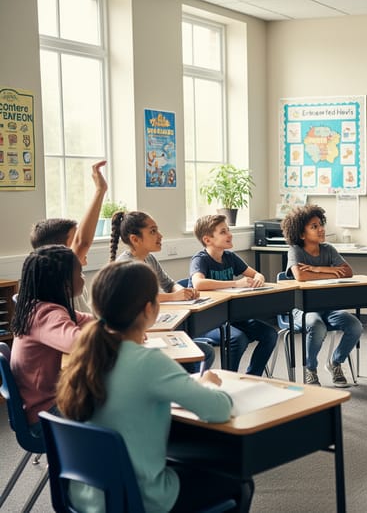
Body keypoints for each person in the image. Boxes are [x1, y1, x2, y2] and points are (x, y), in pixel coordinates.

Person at [55, 260, 252, 512]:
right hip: (138, 499)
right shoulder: (149, 361)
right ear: (149, 309)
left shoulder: (83, 357)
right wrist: (207, 385)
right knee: (240, 483)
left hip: (86, 496)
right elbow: (219, 410)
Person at [109, 209, 216, 373]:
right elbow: (139, 298)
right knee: (203, 352)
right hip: (137, 336)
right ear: (135, 239)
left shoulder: (149, 258)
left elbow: (169, 283)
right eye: (153, 231)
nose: (160, 236)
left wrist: (184, 292)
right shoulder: (125, 265)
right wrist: (174, 296)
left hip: (156, 325)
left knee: (205, 351)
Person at [10, 245, 91, 435]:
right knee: (113, 408)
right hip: (45, 415)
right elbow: (77, 343)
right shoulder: (46, 314)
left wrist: (114, 324)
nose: (83, 278)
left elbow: (86, 319)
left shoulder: (36, 306)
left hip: (38, 405)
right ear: (64, 283)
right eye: (80, 273)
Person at [281, 204, 362, 387]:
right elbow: (300, 276)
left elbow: (348, 272)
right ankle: (310, 369)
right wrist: (332, 271)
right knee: (316, 325)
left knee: (355, 326)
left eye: (321, 225)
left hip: (327, 307)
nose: (321, 229)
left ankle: (335, 362)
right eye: (314, 226)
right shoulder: (295, 250)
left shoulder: (328, 249)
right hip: (301, 308)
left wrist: (318, 269)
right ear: (302, 234)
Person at [189, 214, 276, 376]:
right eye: (223, 232)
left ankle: (252, 376)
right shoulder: (200, 260)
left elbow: (256, 274)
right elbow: (198, 284)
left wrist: (259, 278)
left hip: (230, 316)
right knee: (237, 338)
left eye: (228, 230)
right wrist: (235, 283)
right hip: (206, 321)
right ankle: (230, 379)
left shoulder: (230, 257)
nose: (230, 234)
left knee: (270, 334)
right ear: (207, 240)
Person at [30, 160, 108, 266]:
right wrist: (100, 190)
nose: (78, 240)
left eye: (78, 236)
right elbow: (82, 243)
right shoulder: (60, 270)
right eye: (74, 240)